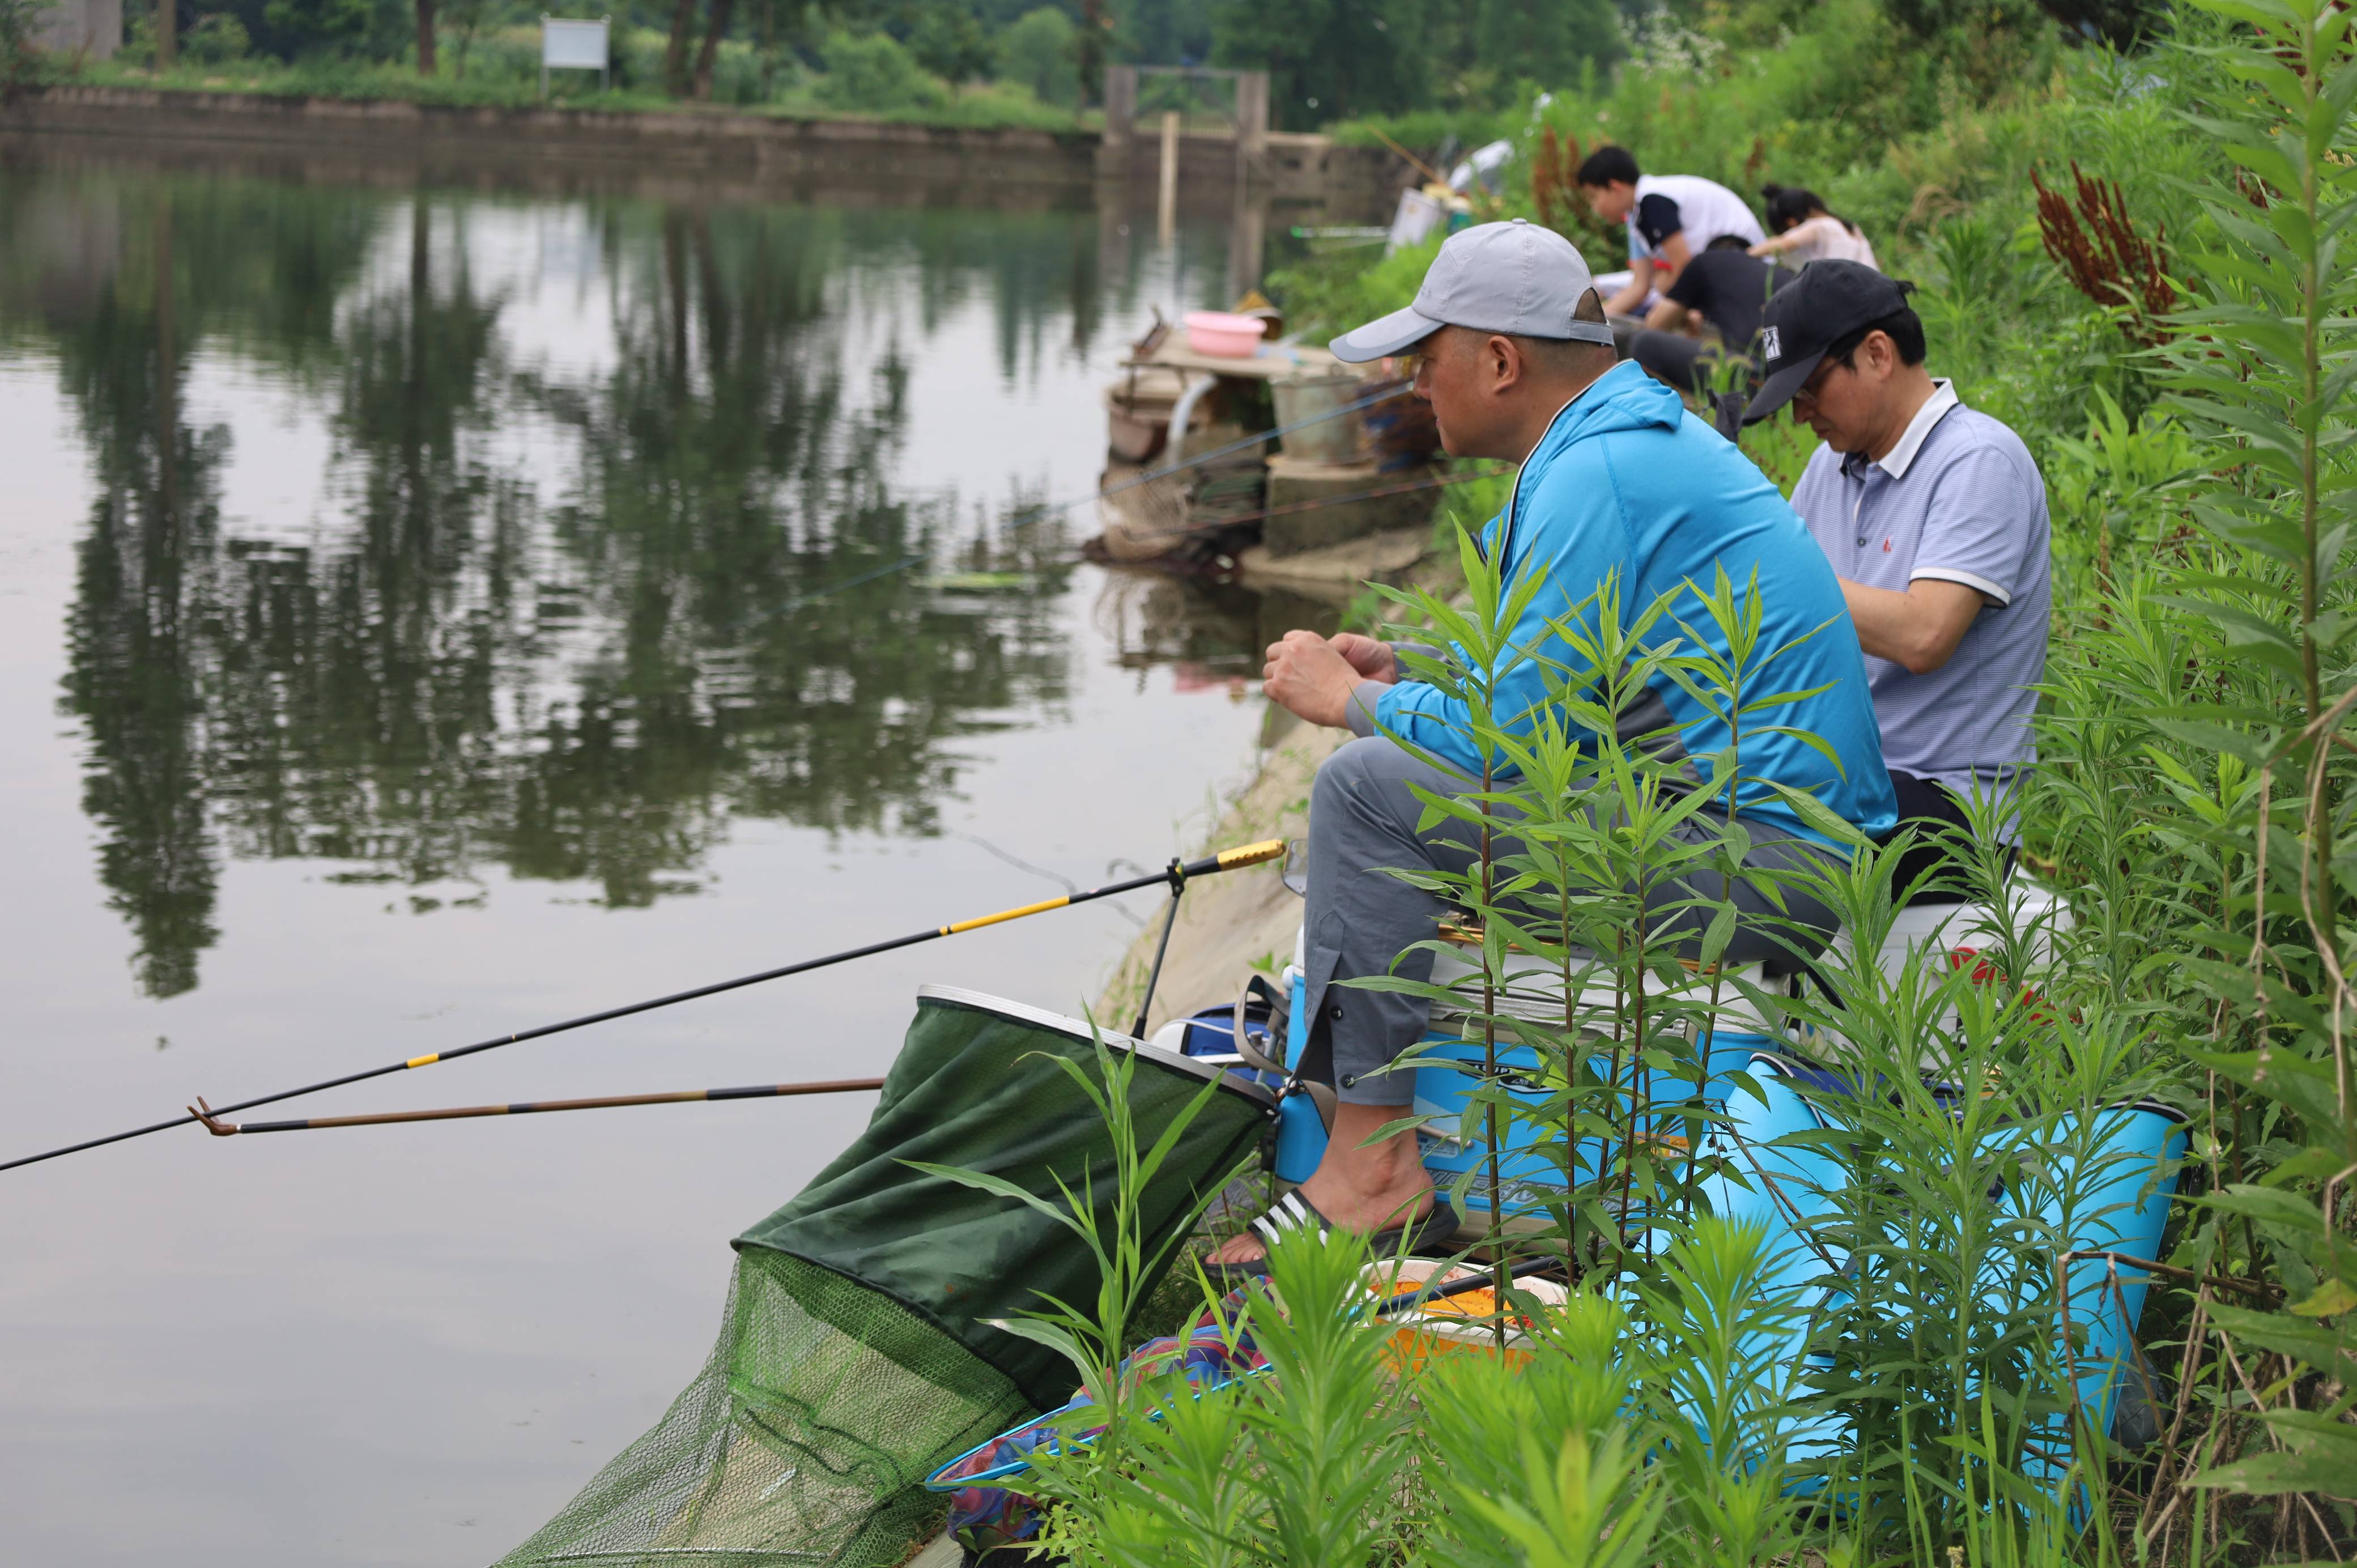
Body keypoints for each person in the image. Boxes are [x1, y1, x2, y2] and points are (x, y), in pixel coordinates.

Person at [1205, 220, 1896, 1273]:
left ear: (1498, 360)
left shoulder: (1598, 472)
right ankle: (1382, 1144)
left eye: (1425, 356)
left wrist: (1351, 699)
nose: (1410, 381)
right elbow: (1563, 703)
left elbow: (1507, 740)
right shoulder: (1609, 441)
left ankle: (1373, 1172)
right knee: (1390, 775)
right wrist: (1414, 676)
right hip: (1749, 839)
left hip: (1774, 865)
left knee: (1362, 791)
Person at [1740, 261, 2050, 901]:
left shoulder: (1976, 460)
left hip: (1949, 805)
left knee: (1741, 852)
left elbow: (1923, 632)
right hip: (1843, 772)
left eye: (1809, 388)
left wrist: (1770, 574)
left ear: (1876, 354)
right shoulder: (1831, 470)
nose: (1800, 416)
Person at [1576, 146, 1764, 319]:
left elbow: (1683, 268)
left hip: (1745, 265)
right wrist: (1595, 323)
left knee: (1656, 320)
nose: (1594, 209)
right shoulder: (1636, 217)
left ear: (1615, 188)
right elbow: (1640, 286)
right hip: (1721, 270)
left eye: (1594, 198)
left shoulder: (1652, 201)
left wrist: (1661, 314)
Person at [1627, 246, 1797, 397]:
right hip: (1799, 381)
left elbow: (1655, 324)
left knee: (1644, 343)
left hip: (1760, 382)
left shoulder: (1704, 262)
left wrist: (1684, 319)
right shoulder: (1775, 273)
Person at [1750, 185, 1879, 269]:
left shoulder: (1818, 227)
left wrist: (1742, 255)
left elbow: (1781, 245)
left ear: (1791, 222)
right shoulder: (1850, 227)